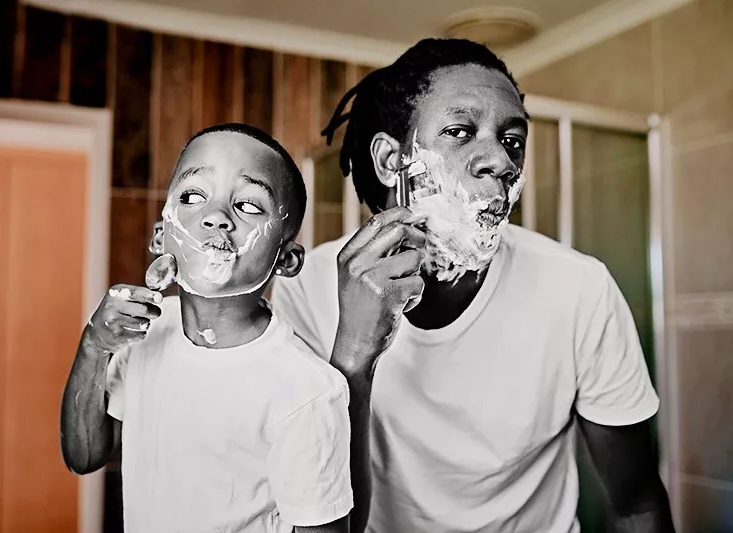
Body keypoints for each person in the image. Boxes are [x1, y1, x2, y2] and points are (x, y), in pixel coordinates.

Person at [266, 39, 675, 533]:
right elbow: (319, 513)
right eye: (461, 131)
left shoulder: (578, 289)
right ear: (391, 161)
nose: (502, 161)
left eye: (513, 139)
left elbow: (636, 503)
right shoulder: (306, 289)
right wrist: (353, 357)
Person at [60, 123, 353, 533]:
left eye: (249, 205)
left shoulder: (306, 391)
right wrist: (94, 345)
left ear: (286, 260)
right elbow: (84, 455)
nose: (215, 216)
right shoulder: (143, 334)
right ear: (161, 237)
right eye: (193, 196)